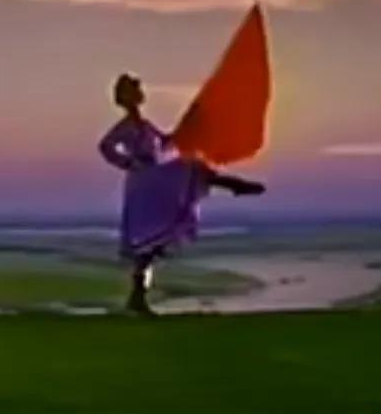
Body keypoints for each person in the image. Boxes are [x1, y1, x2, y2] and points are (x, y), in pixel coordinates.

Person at [98, 74, 263, 316]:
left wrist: (188, 128)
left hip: (154, 181)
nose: (140, 94)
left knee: (149, 247)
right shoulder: (125, 127)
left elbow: (166, 143)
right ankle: (234, 185)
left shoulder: (145, 125)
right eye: (135, 91)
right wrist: (130, 162)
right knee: (189, 172)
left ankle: (137, 298)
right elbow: (105, 146)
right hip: (145, 184)